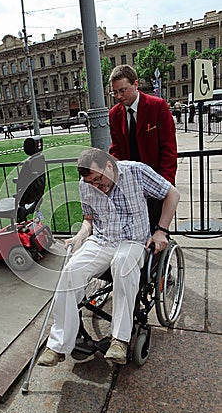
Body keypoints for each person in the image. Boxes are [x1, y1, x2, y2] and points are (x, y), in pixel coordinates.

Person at [38, 148, 180, 367]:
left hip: (133, 241)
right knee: (70, 271)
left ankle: (119, 341)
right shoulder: (86, 185)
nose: (96, 185)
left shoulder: (135, 171)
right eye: (90, 182)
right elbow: (89, 220)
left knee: (123, 265)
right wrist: (79, 237)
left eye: (98, 179)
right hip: (102, 241)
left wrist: (162, 230)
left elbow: (172, 193)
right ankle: (57, 346)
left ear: (110, 166)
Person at [108, 64, 178, 232]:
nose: (118, 96)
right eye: (114, 92)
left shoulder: (157, 106)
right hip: (130, 185)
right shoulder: (114, 114)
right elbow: (116, 148)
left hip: (155, 181)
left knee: (157, 231)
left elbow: (168, 150)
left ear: (136, 84)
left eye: (122, 90)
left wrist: (165, 186)